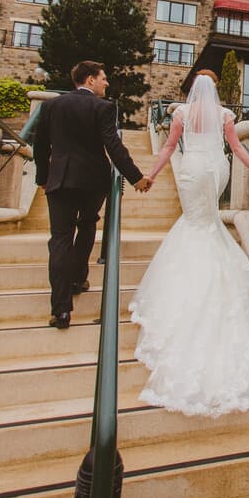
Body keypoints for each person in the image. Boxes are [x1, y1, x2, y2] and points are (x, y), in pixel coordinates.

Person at [128, 70, 249, 417]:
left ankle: (191, 269)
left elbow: (168, 146)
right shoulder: (225, 115)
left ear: (194, 89)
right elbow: (237, 147)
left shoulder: (181, 113)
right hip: (217, 167)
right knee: (208, 218)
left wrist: (150, 174)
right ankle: (215, 263)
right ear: (215, 90)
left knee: (195, 219)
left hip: (193, 167)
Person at [34, 60, 151, 330]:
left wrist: (42, 177)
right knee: (87, 226)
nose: (106, 83)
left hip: (60, 179)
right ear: (89, 80)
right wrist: (136, 178)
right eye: (103, 78)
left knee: (60, 239)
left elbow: (40, 146)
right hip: (91, 180)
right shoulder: (103, 107)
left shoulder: (51, 106)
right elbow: (114, 146)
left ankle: (61, 310)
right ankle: (78, 279)